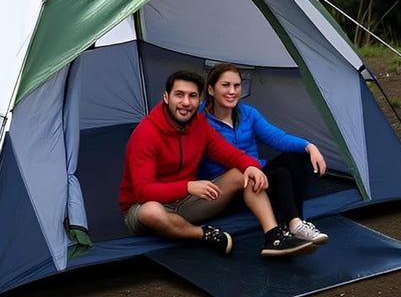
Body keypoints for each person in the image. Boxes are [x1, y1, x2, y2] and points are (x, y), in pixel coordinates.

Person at [119, 69, 315, 258]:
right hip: (146, 205)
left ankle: (274, 237)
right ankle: (204, 234)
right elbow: (143, 191)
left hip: (186, 202)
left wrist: (251, 166)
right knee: (152, 212)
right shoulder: (146, 133)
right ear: (166, 97)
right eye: (179, 95)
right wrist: (188, 186)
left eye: (192, 96)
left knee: (242, 173)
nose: (186, 102)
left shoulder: (199, 125)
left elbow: (231, 155)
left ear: (200, 100)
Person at [198, 61, 330, 245]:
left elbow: (277, 138)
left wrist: (309, 146)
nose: (232, 91)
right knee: (281, 174)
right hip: (230, 186)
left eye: (237, 85)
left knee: (294, 157)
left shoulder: (248, 113)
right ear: (211, 89)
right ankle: (292, 223)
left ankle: (296, 223)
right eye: (225, 85)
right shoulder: (199, 119)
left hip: (256, 175)